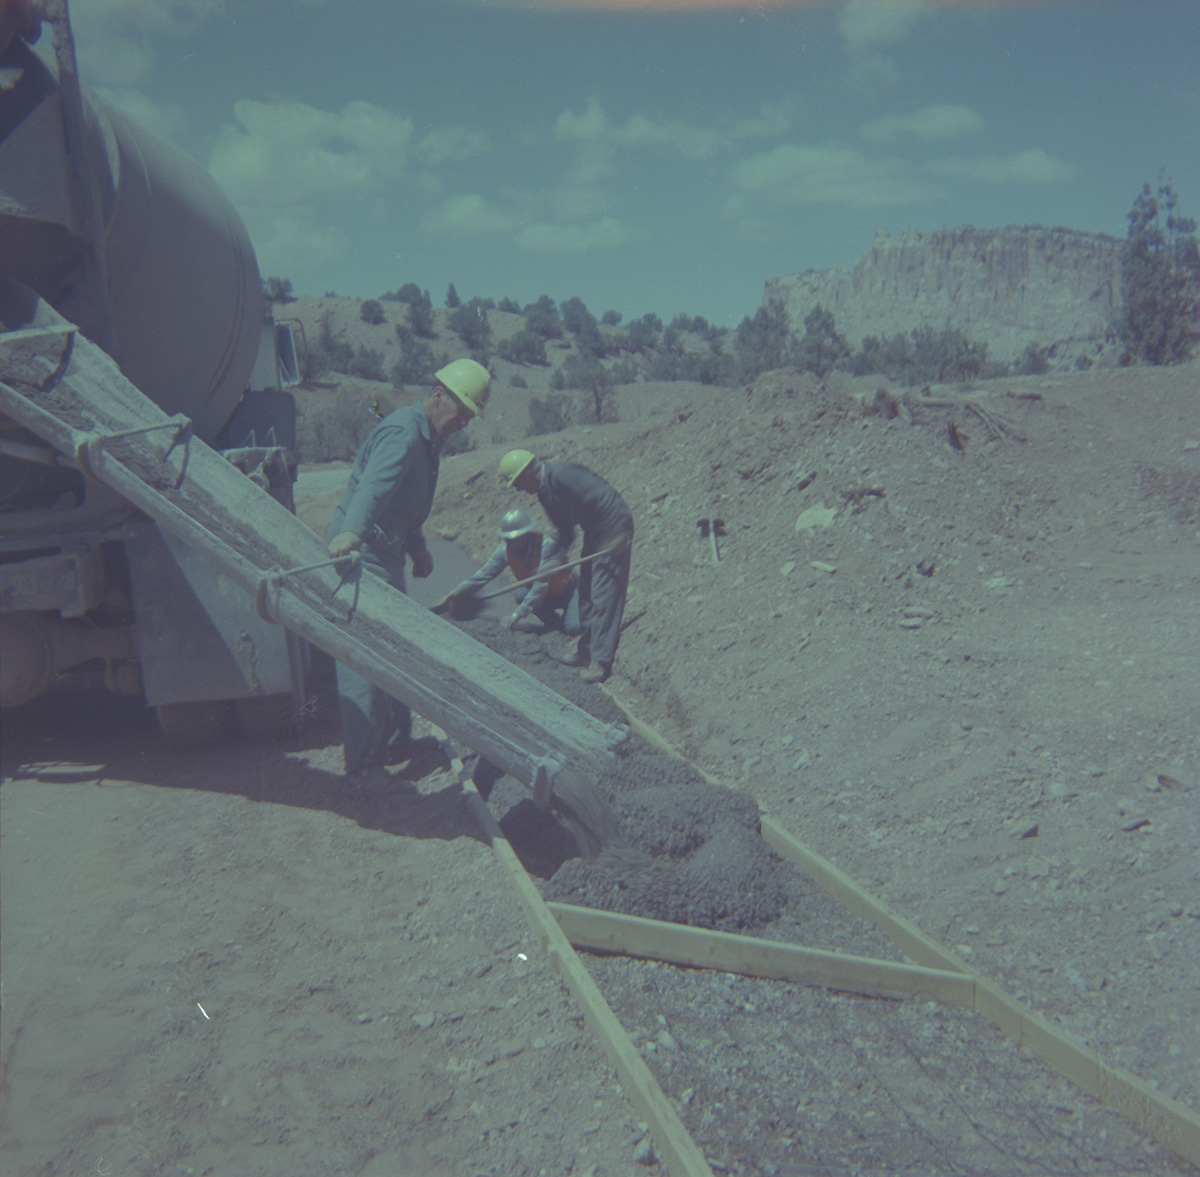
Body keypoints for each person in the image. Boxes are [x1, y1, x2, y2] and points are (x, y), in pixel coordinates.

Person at [326, 358, 490, 780]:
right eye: (463, 413)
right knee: (366, 653)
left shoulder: (429, 440)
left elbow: (405, 505)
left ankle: (397, 738)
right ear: (439, 396)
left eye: (471, 417)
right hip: (361, 551)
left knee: (396, 647)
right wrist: (351, 535)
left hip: (388, 551)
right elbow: (374, 488)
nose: (464, 424)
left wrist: (418, 549)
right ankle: (363, 770)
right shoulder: (402, 433)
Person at [499, 450, 633, 684]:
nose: (519, 490)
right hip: (595, 530)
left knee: (604, 595)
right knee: (587, 593)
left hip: (612, 526)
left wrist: (619, 536)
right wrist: (552, 562)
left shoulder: (563, 475)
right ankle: (585, 649)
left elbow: (604, 497)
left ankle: (600, 662)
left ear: (529, 472)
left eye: (518, 482)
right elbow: (566, 532)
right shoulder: (545, 495)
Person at [431, 508, 582, 636]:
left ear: (524, 534)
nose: (507, 541)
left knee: (574, 628)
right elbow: (481, 576)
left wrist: (516, 615)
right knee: (521, 595)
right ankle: (555, 627)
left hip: (568, 590)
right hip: (547, 595)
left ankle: (580, 618)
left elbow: (540, 586)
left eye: (511, 538)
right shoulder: (505, 551)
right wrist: (453, 594)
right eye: (506, 538)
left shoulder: (547, 545)